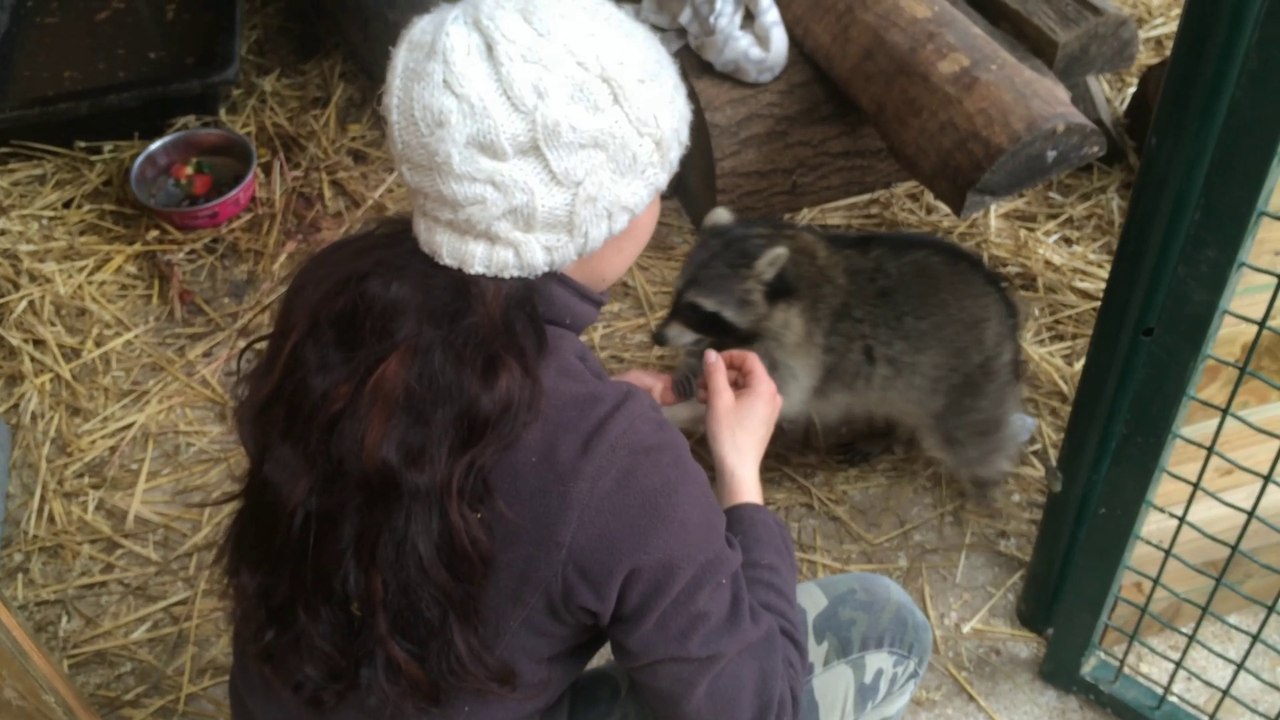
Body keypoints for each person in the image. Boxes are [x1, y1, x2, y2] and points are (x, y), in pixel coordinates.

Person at [220, 0, 932, 718]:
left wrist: (583, 425)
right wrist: (740, 478)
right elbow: (761, 708)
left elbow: (461, 452)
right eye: (656, 180)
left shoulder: (334, 289)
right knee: (883, 624)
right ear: (611, 211)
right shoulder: (618, 462)